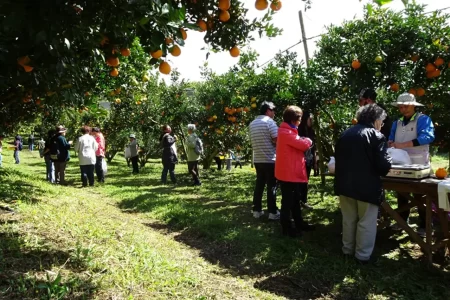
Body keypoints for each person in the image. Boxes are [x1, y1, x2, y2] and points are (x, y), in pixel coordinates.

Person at [335, 104, 392, 264]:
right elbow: (383, 166)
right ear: (375, 120)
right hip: (366, 186)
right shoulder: (376, 136)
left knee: (348, 219)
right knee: (366, 221)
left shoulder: (345, 134)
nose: (381, 124)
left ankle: (347, 250)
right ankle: (362, 256)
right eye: (381, 121)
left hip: (344, 184)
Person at [388, 93, 435, 237]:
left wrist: (403, 145)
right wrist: (390, 143)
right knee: (401, 193)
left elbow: (428, 136)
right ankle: (402, 221)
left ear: (413, 105)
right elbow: (391, 138)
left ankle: (424, 226)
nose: (403, 109)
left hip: (419, 164)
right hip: (401, 165)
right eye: (401, 107)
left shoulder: (423, 119)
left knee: (420, 195)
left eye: (406, 106)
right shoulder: (397, 122)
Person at [275, 105, 315, 237]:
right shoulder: (285, 132)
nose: (300, 122)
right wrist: (308, 140)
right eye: (299, 120)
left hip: (291, 173)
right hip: (288, 174)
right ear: (293, 120)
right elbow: (303, 144)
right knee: (287, 202)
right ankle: (286, 228)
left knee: (295, 200)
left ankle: (299, 223)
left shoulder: (289, 132)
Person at [249, 101, 280, 220]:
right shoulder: (269, 122)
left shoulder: (252, 123)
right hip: (270, 159)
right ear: (268, 110)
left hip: (258, 159)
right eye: (273, 110)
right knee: (272, 186)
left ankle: (257, 210)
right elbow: (277, 140)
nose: (274, 112)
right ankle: (272, 212)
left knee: (259, 185)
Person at [298, 111, 317, 209]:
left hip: (308, 160)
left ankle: (303, 201)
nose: (312, 121)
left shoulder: (311, 131)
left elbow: (314, 147)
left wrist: (314, 160)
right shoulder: (299, 130)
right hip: (300, 160)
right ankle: (299, 201)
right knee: (300, 181)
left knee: (305, 181)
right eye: (310, 119)